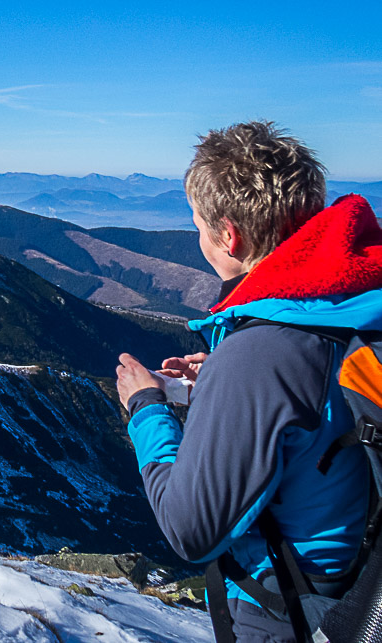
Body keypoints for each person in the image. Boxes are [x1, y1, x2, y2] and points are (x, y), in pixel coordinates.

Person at [115, 121, 382, 641]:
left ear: (228, 235)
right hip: (360, 580)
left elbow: (192, 530)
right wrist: (220, 383)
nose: (197, 237)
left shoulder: (263, 353)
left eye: (197, 224)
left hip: (295, 610)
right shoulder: (356, 303)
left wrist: (146, 408)